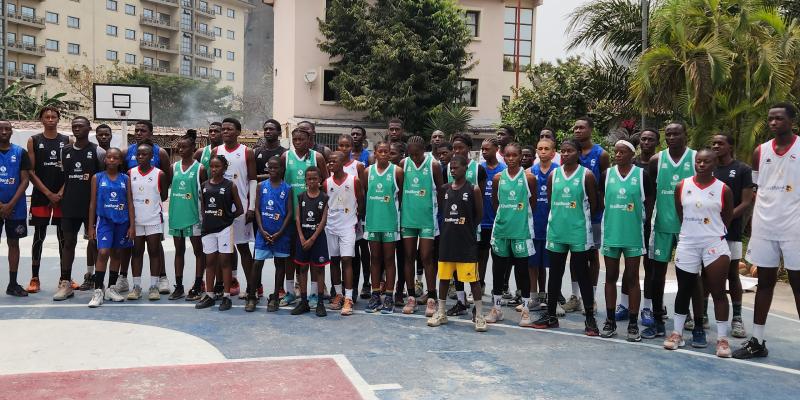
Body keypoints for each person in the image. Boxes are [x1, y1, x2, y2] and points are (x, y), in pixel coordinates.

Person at [735, 103, 800, 359]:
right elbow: (756, 188)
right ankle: (758, 341)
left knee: (797, 285)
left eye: (779, 118)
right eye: (771, 119)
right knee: (764, 282)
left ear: (791, 120)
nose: (774, 123)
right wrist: (752, 218)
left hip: (794, 224)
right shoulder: (760, 152)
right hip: (765, 224)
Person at [664, 148, 734, 357]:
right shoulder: (682, 186)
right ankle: (677, 333)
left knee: (719, 291)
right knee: (684, 289)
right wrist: (693, 232)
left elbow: (727, 217)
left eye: (707, 162)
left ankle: (722, 340)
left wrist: (711, 232)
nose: (702, 165)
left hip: (714, 243)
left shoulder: (724, 189)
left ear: (715, 164)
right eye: (699, 161)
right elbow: (681, 213)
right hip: (688, 242)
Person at [532, 139, 599, 335]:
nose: (566, 154)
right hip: (557, 231)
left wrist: (579, 219)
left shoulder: (586, 175)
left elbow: (594, 205)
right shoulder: (554, 174)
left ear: (578, 153)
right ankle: (551, 315)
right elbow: (552, 201)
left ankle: (589, 318)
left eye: (570, 151)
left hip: (578, 231)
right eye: (563, 151)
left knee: (582, 274)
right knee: (555, 273)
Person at [644, 122, 697, 340]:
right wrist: (648, 222)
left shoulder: (695, 159)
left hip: (688, 226)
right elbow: (651, 194)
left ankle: (692, 317)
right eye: (669, 134)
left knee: (690, 276)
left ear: (686, 134)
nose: (672, 137)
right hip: (662, 226)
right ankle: (657, 318)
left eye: (677, 133)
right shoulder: (657, 160)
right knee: (657, 276)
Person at [427, 155, 487, 331]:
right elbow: (442, 212)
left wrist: (466, 229)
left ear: (465, 168)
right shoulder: (444, 189)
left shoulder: (473, 189)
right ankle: (441, 312)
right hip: (447, 241)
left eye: (456, 167)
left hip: (466, 243)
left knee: (473, 281)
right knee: (444, 278)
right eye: (450, 168)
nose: (452, 170)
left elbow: (479, 215)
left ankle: (480, 315)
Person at [448, 138, 506, 317]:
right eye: (454, 148)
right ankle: (460, 299)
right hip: (454, 223)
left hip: (476, 224)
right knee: (456, 261)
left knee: (477, 260)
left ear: (468, 148)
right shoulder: (450, 168)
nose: (457, 150)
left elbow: (479, 199)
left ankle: (477, 299)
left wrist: (474, 222)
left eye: (461, 147)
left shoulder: (478, 168)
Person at [601, 138, 652, 341]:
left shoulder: (642, 175)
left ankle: (632, 323)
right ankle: (610, 321)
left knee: (632, 278)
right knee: (610, 277)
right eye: (616, 151)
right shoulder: (606, 175)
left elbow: (649, 202)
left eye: (622, 152)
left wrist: (643, 222)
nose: (618, 154)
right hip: (612, 233)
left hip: (633, 235)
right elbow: (600, 200)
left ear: (632, 154)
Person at [53, 117, 104, 301]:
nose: (76, 129)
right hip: (70, 205)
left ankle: (99, 285)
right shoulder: (64, 151)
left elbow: (103, 179)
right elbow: (65, 179)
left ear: (89, 128)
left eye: (80, 126)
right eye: (74, 126)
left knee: (96, 243)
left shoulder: (97, 151)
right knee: (68, 243)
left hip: (92, 206)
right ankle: (65, 283)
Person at [487, 143, 537, 326]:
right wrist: (506, 218)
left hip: (521, 231)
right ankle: (497, 308)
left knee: (522, 271)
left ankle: (525, 309)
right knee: (498, 271)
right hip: (501, 230)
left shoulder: (529, 178)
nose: (510, 158)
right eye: (507, 155)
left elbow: (533, 205)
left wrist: (519, 218)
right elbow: (495, 204)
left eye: (514, 155)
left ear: (520, 157)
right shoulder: (498, 178)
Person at [710, 133, 753, 338]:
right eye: (714, 143)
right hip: (708, 231)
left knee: (732, 273)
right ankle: (700, 316)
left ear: (730, 146)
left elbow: (745, 202)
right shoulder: (708, 168)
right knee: (705, 274)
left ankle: (736, 318)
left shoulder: (742, 169)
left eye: (721, 143)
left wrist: (725, 220)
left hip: (731, 231)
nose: (716, 146)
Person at [279, 128, 327, 306]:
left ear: (309, 140)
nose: (298, 141)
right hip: (292, 216)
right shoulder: (286, 157)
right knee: (291, 256)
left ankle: (315, 293)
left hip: (314, 217)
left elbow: (325, 184)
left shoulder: (318, 158)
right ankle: (290, 291)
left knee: (314, 258)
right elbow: (282, 184)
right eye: (295, 139)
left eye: (301, 139)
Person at [211, 118, 257, 302]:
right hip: (220, 210)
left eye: (229, 129)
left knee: (243, 248)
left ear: (238, 132)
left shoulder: (247, 152)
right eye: (223, 129)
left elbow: (253, 180)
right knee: (222, 250)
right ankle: (224, 285)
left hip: (241, 209)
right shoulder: (216, 151)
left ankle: (253, 287)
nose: (225, 132)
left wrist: (252, 207)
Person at [617, 128, 660, 321]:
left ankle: (648, 308)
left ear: (657, 143)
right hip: (628, 223)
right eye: (643, 139)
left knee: (649, 267)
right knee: (630, 267)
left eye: (651, 139)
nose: (646, 142)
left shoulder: (659, 163)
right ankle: (624, 304)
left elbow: (651, 197)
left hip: (650, 222)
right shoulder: (629, 164)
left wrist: (647, 220)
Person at [568, 117, 610, 315]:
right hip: (572, 213)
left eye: (581, 127)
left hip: (593, 214)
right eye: (575, 128)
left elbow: (604, 186)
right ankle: (575, 296)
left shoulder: (601, 154)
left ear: (591, 130)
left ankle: (591, 298)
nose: (578, 130)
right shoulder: (570, 152)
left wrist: (597, 210)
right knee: (575, 255)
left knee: (592, 254)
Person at [399, 136, 444, 316]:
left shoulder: (433, 165)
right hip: (408, 218)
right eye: (411, 154)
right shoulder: (404, 163)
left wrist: (440, 216)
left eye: (417, 154)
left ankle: (431, 298)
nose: (414, 157)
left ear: (424, 151)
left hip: (427, 218)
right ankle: (411, 297)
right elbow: (400, 190)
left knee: (426, 257)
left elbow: (441, 191)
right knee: (408, 256)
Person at [124, 120, 171, 295]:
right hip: (135, 218)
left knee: (155, 249)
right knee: (135, 251)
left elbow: (165, 191)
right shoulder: (128, 162)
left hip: (153, 215)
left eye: (142, 130)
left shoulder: (161, 156)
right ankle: (134, 285)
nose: (138, 133)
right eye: (136, 130)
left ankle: (158, 281)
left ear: (150, 133)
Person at [26, 106, 69, 293]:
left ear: (58, 119)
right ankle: (35, 278)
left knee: (63, 238)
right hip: (40, 196)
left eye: (54, 116)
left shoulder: (67, 140)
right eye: (47, 117)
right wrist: (47, 193)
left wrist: (59, 193)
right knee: (39, 236)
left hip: (62, 197)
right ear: (41, 120)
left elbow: (70, 172)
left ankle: (64, 278)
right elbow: (30, 171)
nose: (50, 119)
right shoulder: (33, 140)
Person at [87, 147, 134, 307]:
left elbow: (130, 202)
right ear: (105, 159)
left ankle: (111, 288)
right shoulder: (97, 178)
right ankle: (98, 290)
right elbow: (92, 203)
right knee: (103, 252)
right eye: (109, 157)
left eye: (116, 158)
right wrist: (91, 227)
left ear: (120, 161)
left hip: (122, 221)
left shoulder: (125, 179)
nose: (112, 160)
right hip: (105, 220)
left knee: (117, 253)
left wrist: (132, 226)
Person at [196, 155, 244, 311]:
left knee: (225, 262)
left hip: (224, 229)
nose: (214, 169)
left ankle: (226, 296)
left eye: (217, 166)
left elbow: (240, 209)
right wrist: (206, 219)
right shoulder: (204, 185)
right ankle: (209, 295)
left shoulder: (230, 186)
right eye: (212, 166)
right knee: (209, 263)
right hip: (208, 230)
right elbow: (203, 207)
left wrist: (227, 219)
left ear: (224, 168)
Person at [363, 141, 403, 314]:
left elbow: (400, 197)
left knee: (389, 260)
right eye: (381, 151)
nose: (384, 154)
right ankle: (375, 294)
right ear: (375, 153)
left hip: (389, 222)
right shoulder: (367, 172)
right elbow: (365, 193)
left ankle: (389, 296)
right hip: (372, 222)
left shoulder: (397, 171)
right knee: (375, 259)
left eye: (387, 152)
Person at [169, 131, 207, 301]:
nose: (181, 150)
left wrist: (206, 216)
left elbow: (205, 195)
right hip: (177, 214)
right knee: (179, 251)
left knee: (199, 251)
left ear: (193, 148)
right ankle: (179, 286)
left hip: (194, 216)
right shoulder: (173, 168)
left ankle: (198, 285)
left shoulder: (200, 169)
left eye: (184, 147)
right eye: (179, 147)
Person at [325, 150, 363, 316]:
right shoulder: (326, 183)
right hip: (331, 227)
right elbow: (326, 205)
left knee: (346, 260)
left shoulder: (353, 180)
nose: (330, 164)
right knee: (334, 261)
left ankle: (349, 297)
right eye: (329, 162)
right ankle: (338, 294)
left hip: (348, 227)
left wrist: (355, 220)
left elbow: (361, 202)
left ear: (342, 163)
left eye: (334, 161)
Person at [255, 156, 293, 312]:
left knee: (280, 265)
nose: (272, 170)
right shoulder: (260, 186)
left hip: (281, 234)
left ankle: (276, 296)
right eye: (270, 167)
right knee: (257, 263)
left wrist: (280, 232)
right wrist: (262, 230)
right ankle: (252, 294)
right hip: (263, 233)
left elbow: (290, 213)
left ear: (282, 169)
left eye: (276, 167)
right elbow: (257, 209)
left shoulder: (288, 188)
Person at [291, 167, 330, 317]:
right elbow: (298, 218)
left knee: (319, 269)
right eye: (309, 179)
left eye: (315, 178)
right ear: (305, 180)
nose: (312, 181)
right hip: (303, 237)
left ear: (319, 180)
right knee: (302, 269)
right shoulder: (301, 197)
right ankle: (304, 302)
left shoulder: (324, 197)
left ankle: (320, 302)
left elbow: (323, 220)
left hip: (317, 238)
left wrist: (313, 238)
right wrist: (301, 237)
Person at [0, 120, 31, 297]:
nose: (4, 132)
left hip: (16, 206)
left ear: (12, 132)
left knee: (14, 243)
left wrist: (9, 205)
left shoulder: (20, 152)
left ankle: (12, 283)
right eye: (1, 129)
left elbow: (25, 180)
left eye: (7, 129)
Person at [529, 137, 559, 313]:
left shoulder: (559, 172)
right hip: (534, 225)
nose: (543, 151)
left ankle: (551, 298)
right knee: (533, 264)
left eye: (546, 148)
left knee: (553, 265)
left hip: (553, 227)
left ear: (553, 153)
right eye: (539, 148)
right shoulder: (529, 172)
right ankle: (533, 297)